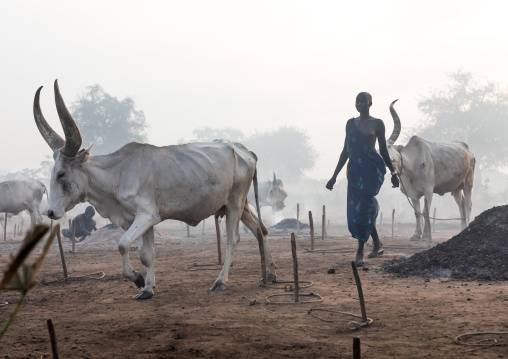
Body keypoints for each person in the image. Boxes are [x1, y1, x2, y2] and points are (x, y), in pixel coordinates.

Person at [326, 92, 399, 266]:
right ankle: (377, 243)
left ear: (370, 103)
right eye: (357, 102)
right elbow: (346, 151)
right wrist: (334, 176)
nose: (359, 104)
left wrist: (393, 173)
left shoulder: (377, 124)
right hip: (354, 173)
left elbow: (382, 150)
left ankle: (360, 251)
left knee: (364, 206)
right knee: (361, 209)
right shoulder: (350, 123)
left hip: (371, 171)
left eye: (363, 102)